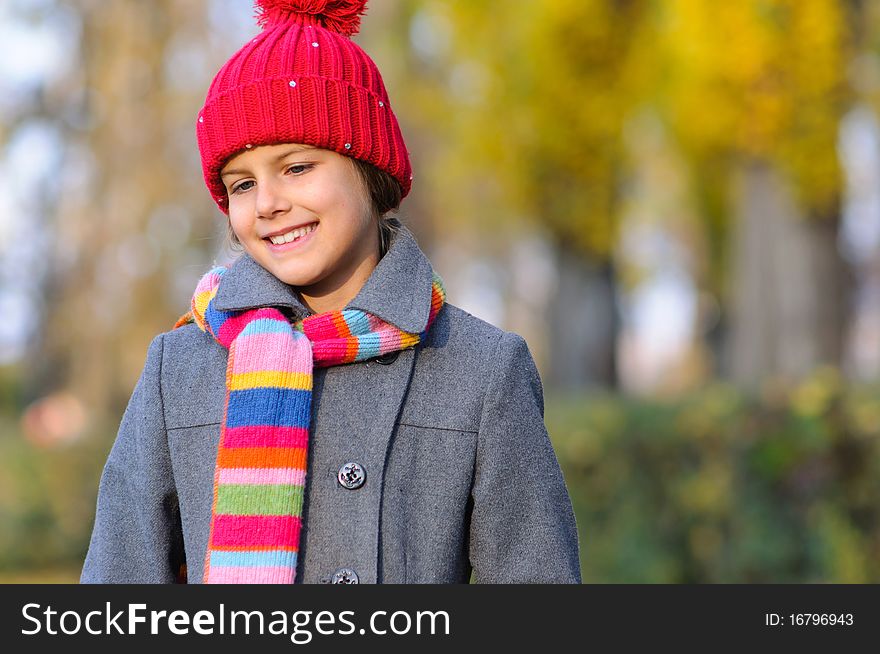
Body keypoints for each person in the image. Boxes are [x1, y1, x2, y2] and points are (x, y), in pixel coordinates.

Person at [81, 0, 581, 584]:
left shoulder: (482, 369)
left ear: (368, 168)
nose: (267, 203)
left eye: (297, 168)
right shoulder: (180, 367)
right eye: (242, 183)